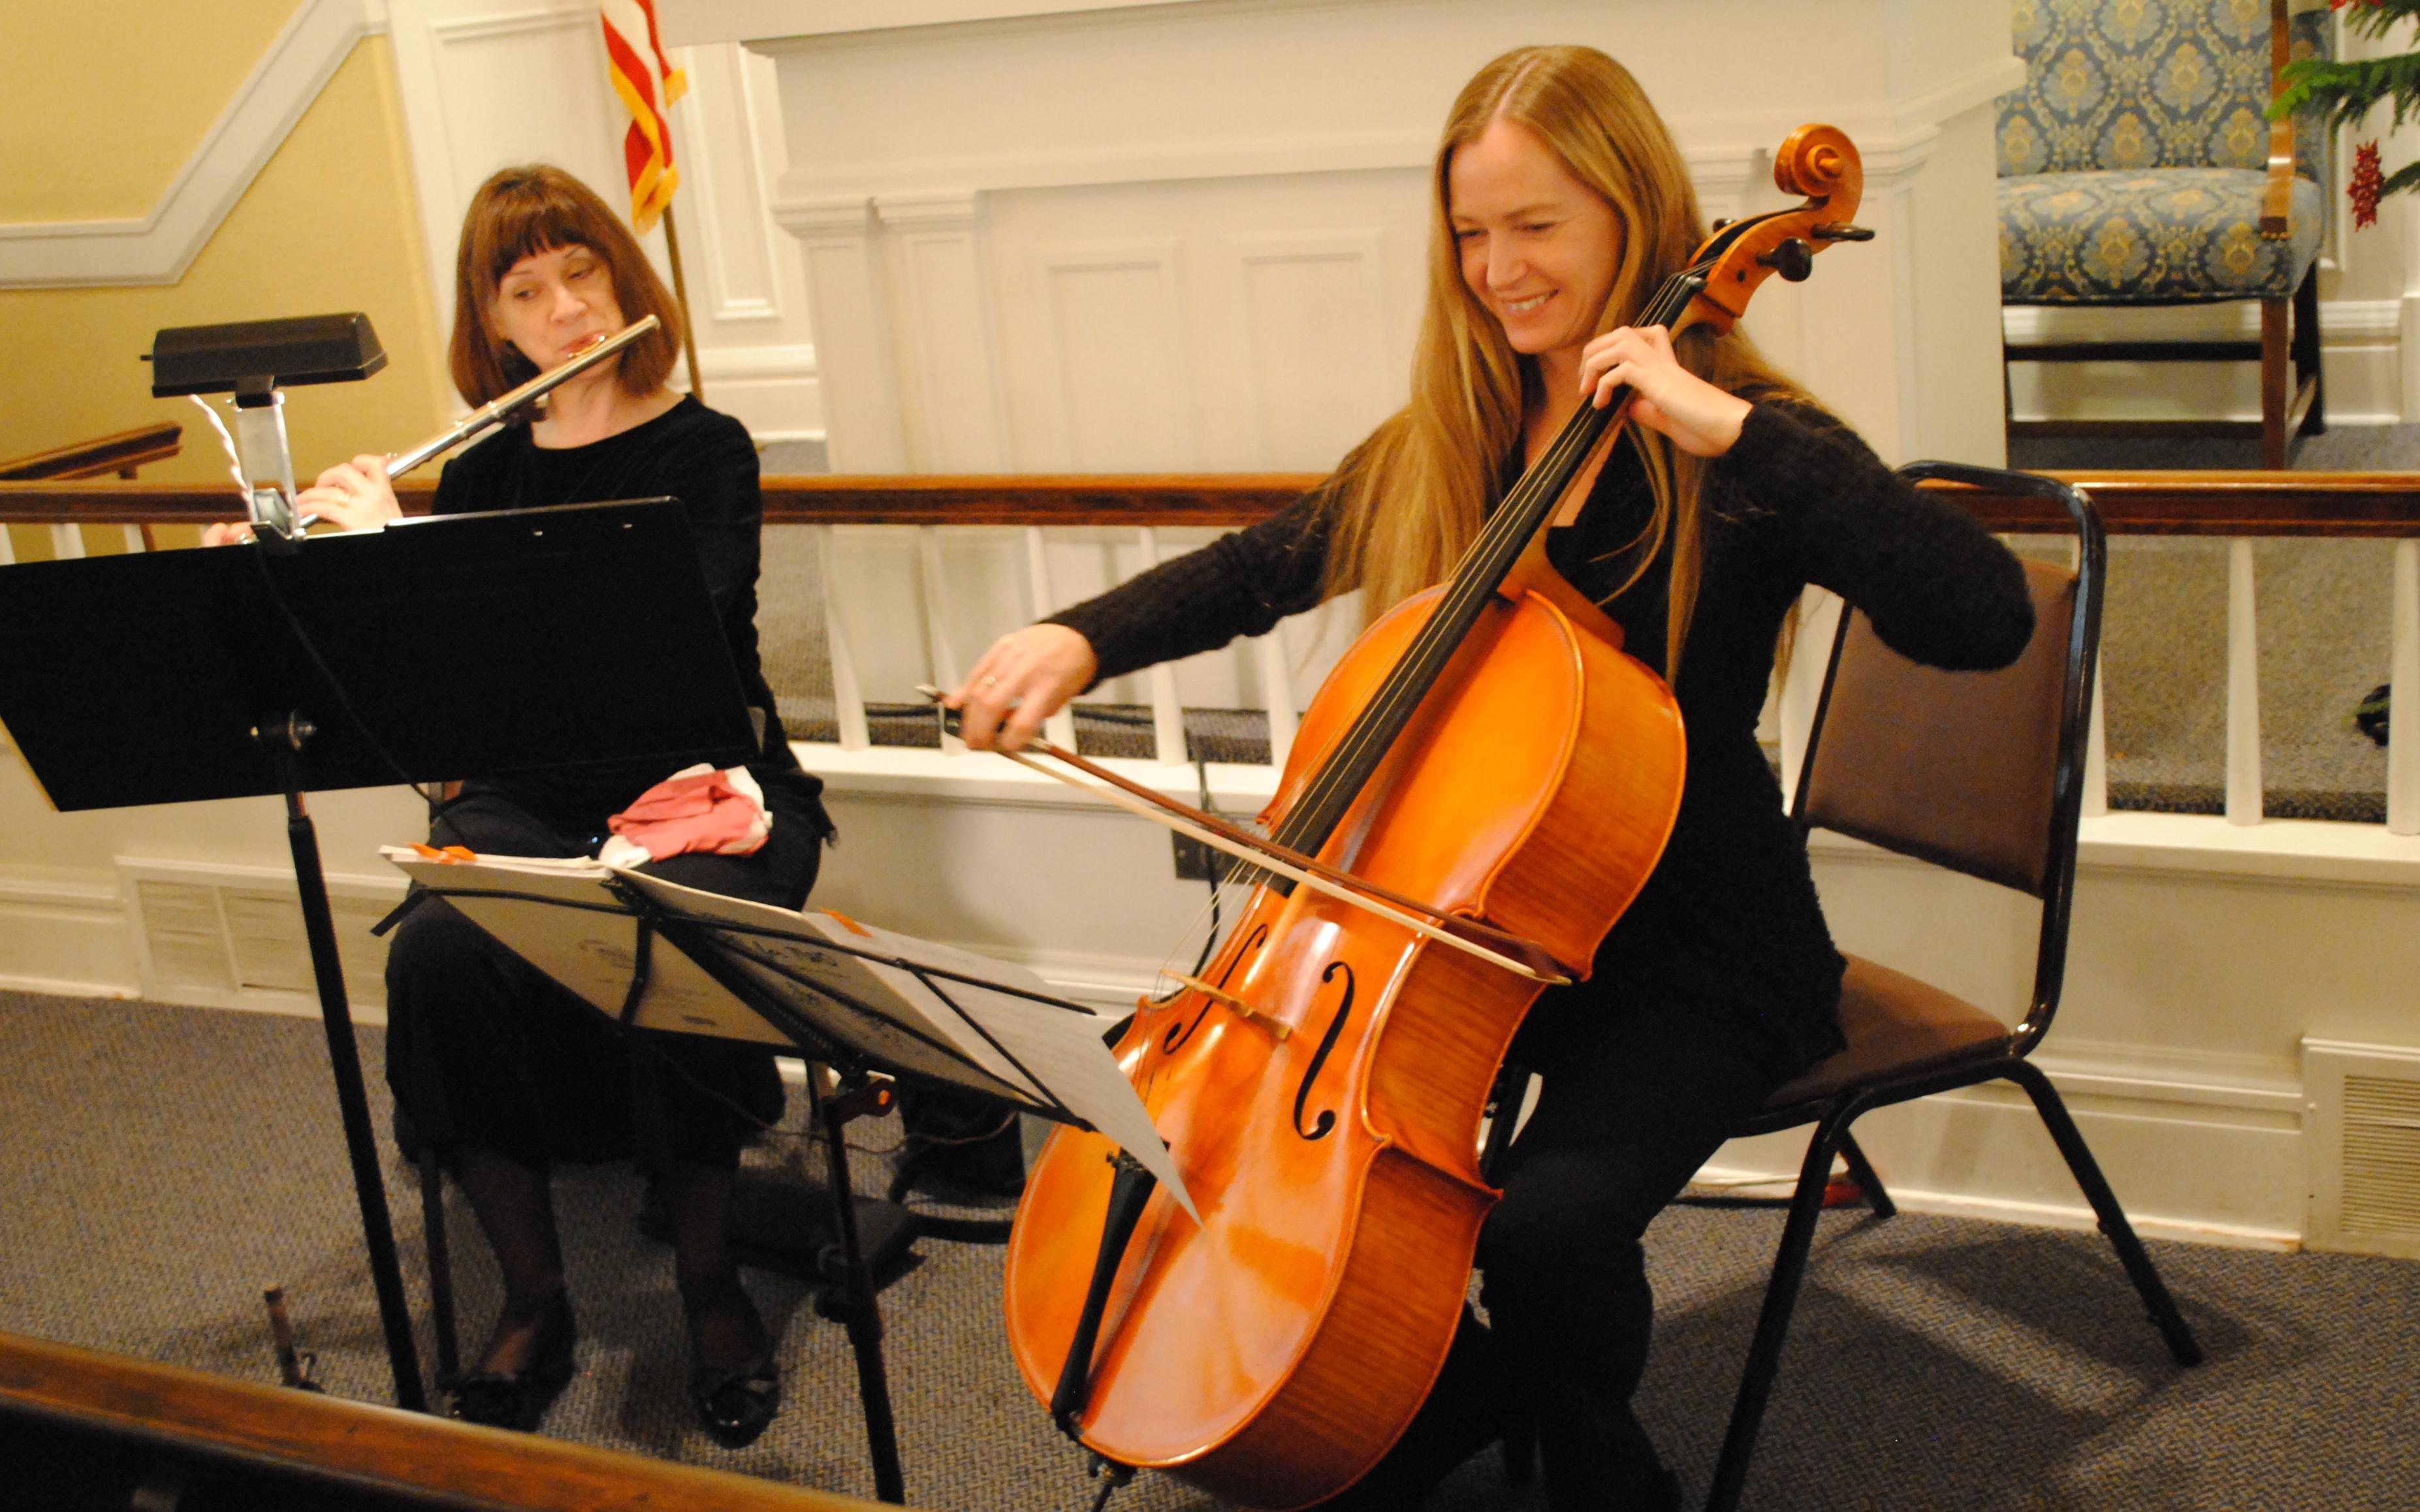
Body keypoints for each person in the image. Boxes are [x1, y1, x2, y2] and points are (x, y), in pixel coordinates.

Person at [947, 46, 2035, 1511]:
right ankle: (1455, 1389)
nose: (1497, 269)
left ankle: (1590, 1463)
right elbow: (1265, 565)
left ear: (1632, 217)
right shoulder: (1460, 434)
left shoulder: (1745, 448)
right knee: (1320, 1200)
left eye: (1536, 225)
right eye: (1469, 233)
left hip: (1701, 959)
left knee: (1541, 1232)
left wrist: (1718, 422)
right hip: (1464, 941)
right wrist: (1078, 638)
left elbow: (1978, 614)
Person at [223, 164, 833, 1445]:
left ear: (620, 283)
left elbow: (672, 629)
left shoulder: (701, 446)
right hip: (532, 792)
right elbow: (454, 706)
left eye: (581, 274)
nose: (562, 307)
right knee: (443, 947)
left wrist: (422, 555)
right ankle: (534, 1296)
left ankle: (710, 1291)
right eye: (527, 288)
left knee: (681, 932)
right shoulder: (488, 472)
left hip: (700, 783)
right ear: (491, 322)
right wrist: (338, 572)